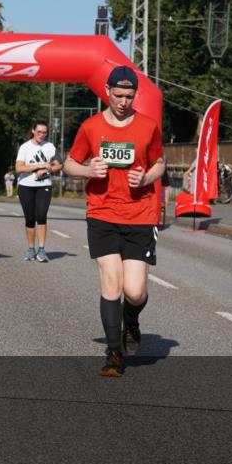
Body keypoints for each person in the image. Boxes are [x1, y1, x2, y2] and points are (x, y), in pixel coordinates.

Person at [62, 66, 165, 378]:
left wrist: (146, 176)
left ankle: (130, 320)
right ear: (106, 91)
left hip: (140, 215)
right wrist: (88, 171)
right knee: (111, 282)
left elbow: (160, 163)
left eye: (129, 96)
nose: (123, 101)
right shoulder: (91, 127)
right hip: (102, 213)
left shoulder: (148, 127)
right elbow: (69, 164)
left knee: (134, 292)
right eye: (118, 95)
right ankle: (114, 353)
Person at [15, 122, 63, 262]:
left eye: (44, 132)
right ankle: (31, 249)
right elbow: (19, 168)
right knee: (30, 219)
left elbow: (59, 164)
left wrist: (48, 169)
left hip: (44, 186)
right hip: (26, 186)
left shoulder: (50, 147)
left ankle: (41, 249)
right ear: (33, 131)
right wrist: (38, 166)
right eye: (39, 132)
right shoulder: (25, 147)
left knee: (41, 216)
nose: (41, 135)